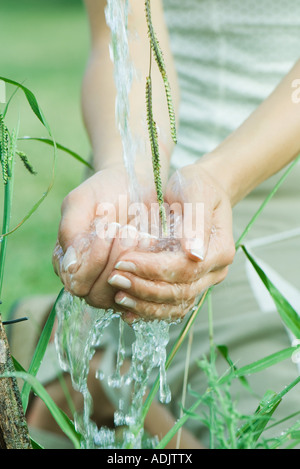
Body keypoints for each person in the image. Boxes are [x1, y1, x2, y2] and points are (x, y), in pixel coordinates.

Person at [26, 0, 300, 448]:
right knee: (272, 434)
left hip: (265, 165)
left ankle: (97, 368)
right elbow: (123, 36)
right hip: (177, 189)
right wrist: (129, 173)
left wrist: (224, 176)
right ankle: (99, 371)